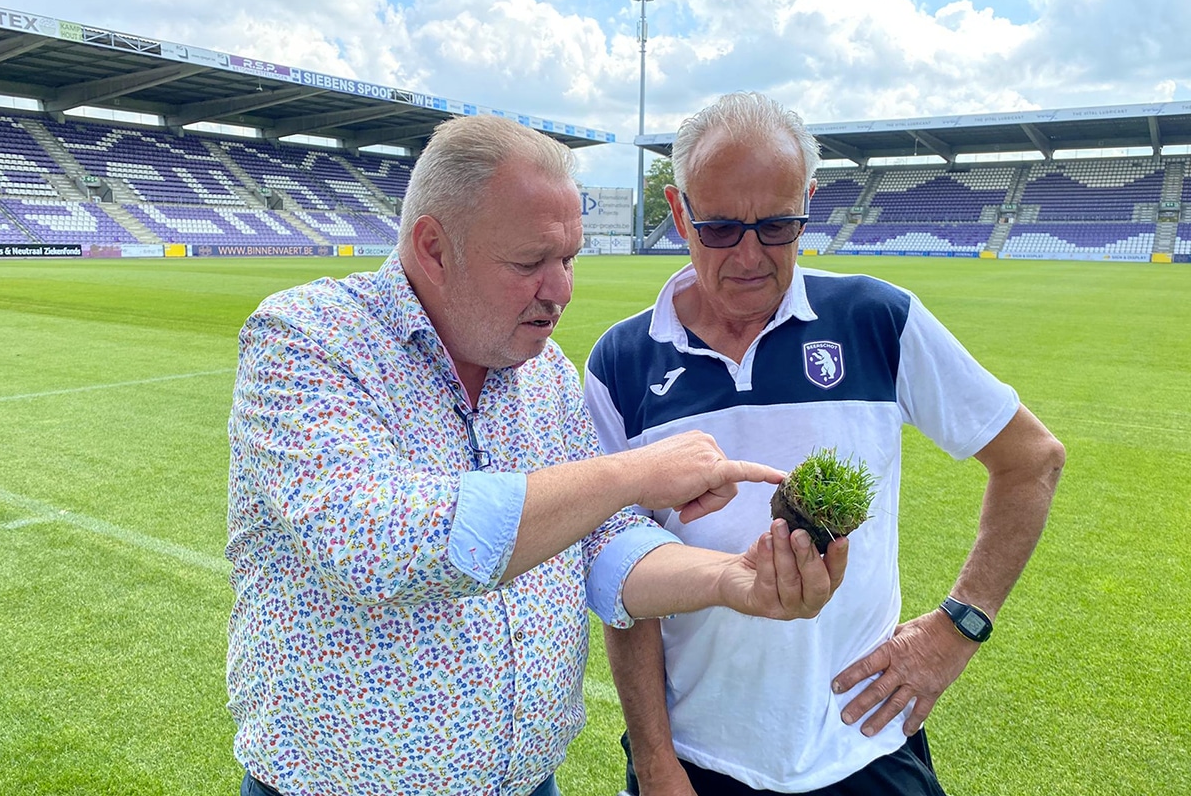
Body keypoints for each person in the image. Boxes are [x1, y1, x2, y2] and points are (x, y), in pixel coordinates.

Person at [225, 113, 849, 796]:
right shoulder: (308, 338)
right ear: (434, 248)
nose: (561, 291)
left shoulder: (544, 372)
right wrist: (634, 473)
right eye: (530, 263)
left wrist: (730, 580)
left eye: (569, 259)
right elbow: (379, 541)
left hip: (528, 780)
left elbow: (604, 543)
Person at [584, 92, 1066, 796]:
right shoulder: (622, 361)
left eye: (777, 226)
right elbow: (618, 574)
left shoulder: (877, 319)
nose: (750, 255)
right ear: (679, 212)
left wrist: (958, 626)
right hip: (695, 758)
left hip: (862, 744)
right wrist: (656, 761)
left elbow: (1032, 460)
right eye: (720, 228)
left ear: (808, 203)